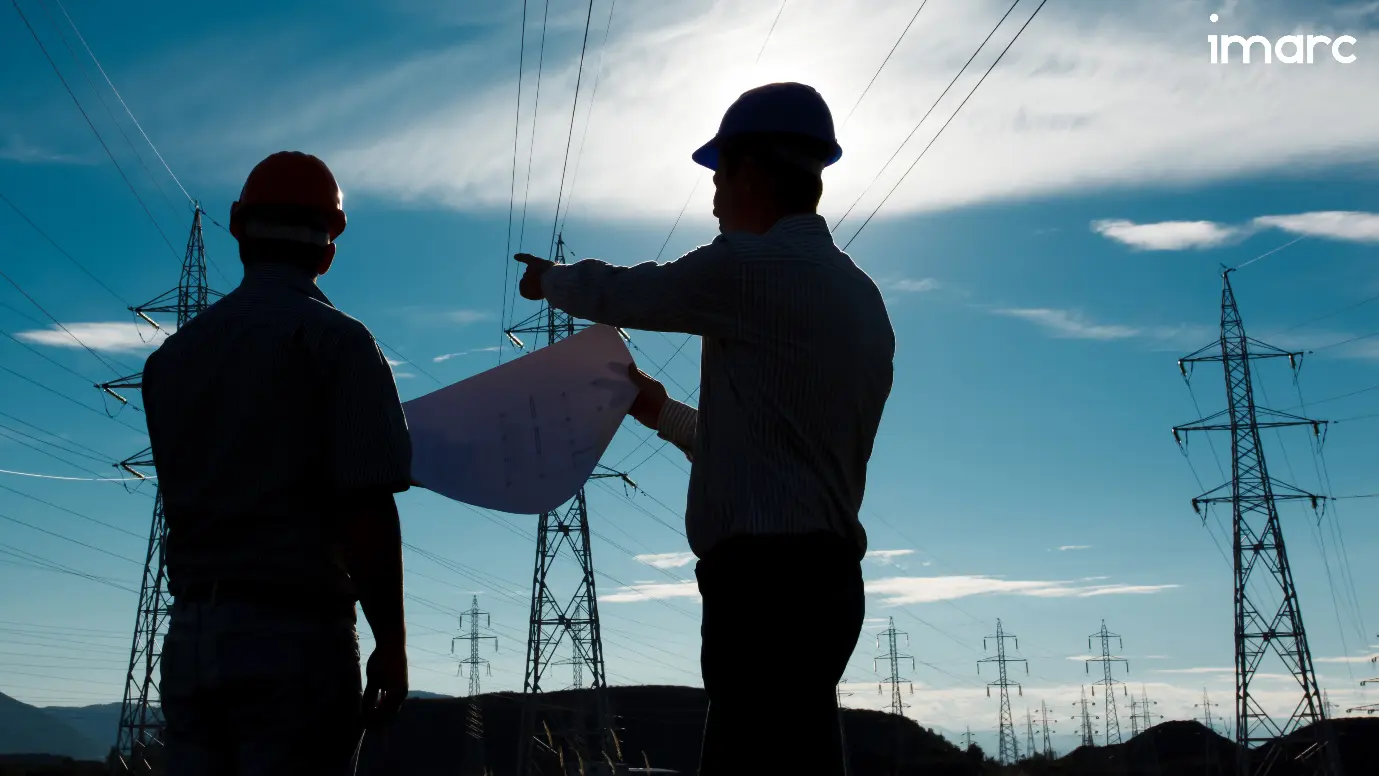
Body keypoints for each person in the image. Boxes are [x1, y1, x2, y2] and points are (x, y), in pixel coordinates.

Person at [515, 82, 895, 776]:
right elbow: (774, 449)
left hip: (762, 587)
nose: (714, 199)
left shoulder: (747, 269)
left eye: (718, 178)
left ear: (749, 172)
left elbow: (634, 292)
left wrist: (549, 282)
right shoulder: (861, 296)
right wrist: (658, 411)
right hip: (829, 582)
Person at [142, 151, 412, 775]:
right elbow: (366, 509)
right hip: (297, 636)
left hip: (190, 636)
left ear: (239, 230)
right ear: (328, 251)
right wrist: (391, 644)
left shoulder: (170, 362)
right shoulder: (341, 344)